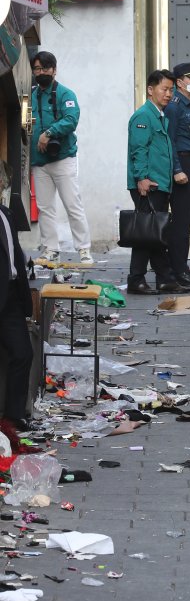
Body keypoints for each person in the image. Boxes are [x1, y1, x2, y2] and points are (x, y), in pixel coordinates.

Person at [126, 69, 190, 296]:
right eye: (164, 89)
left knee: (156, 233)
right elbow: (139, 150)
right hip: (149, 184)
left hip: (160, 184)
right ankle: (136, 279)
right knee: (146, 234)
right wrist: (142, 178)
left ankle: (165, 279)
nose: (169, 94)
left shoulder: (159, 115)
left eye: (171, 89)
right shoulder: (144, 116)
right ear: (150, 90)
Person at [30, 51, 93, 265]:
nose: (41, 73)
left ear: (54, 70)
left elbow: (71, 120)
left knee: (72, 204)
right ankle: (50, 250)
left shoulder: (66, 94)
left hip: (63, 158)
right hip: (39, 161)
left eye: (45, 68)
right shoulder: (31, 95)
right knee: (45, 207)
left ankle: (84, 250)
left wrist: (49, 133)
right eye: (37, 69)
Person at [164, 64, 190, 287]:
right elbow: (169, 141)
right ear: (179, 82)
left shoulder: (188, 105)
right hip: (184, 163)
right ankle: (178, 269)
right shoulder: (175, 106)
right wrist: (177, 170)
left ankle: (180, 267)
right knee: (181, 222)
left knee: (186, 220)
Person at [0, 204, 33, 430]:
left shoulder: (5, 213)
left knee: (22, 352)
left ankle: (14, 415)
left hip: (11, 295)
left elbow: (15, 255)